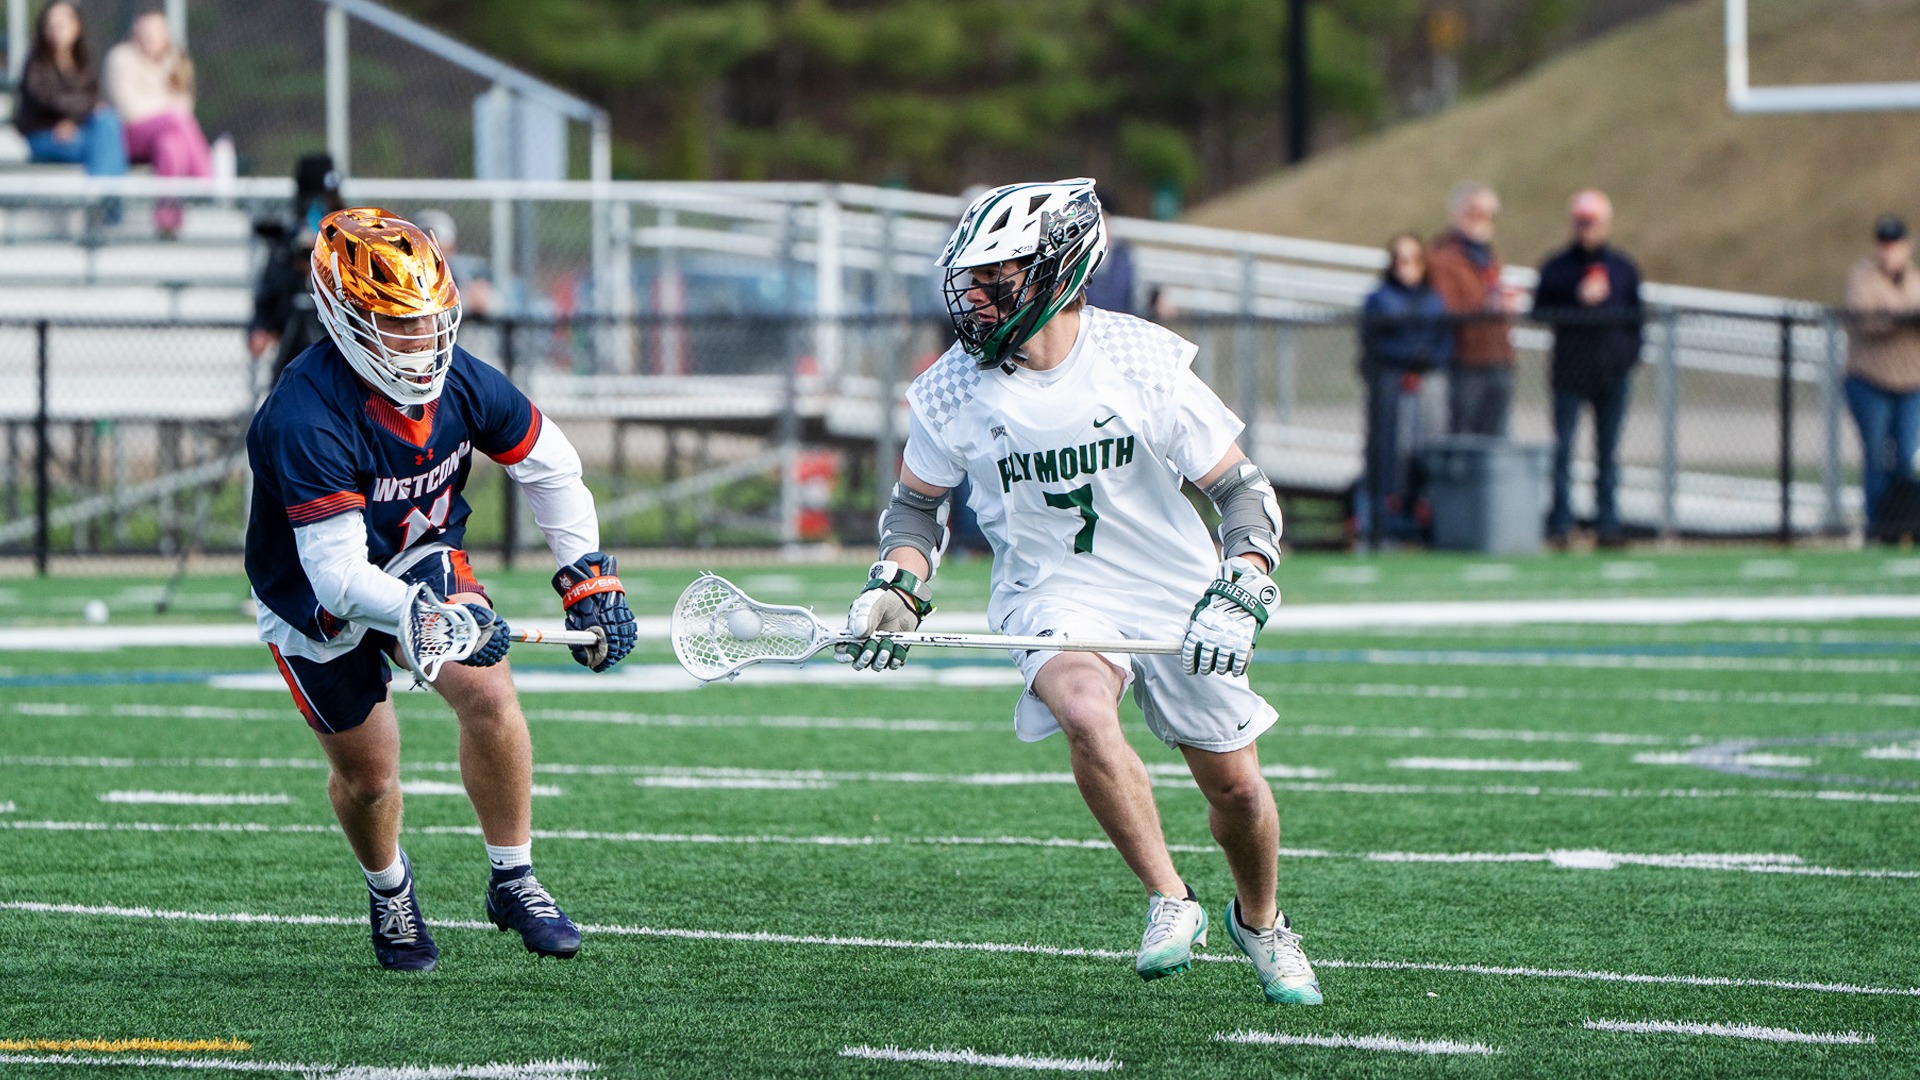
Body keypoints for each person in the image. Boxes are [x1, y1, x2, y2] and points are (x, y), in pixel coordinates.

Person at [839, 178, 1321, 1006]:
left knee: (1236, 789)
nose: (975, 300)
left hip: (1173, 587)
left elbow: (1240, 490)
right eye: (970, 281)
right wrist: (898, 585)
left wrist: (1242, 580)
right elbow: (916, 508)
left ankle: (1261, 920)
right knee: (1085, 711)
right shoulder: (951, 387)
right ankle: (1170, 897)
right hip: (1050, 587)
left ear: (1059, 269)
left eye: (996, 279)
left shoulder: (1139, 358)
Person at [244, 207, 639, 972]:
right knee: (369, 780)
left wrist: (587, 573)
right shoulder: (305, 413)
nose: (422, 340)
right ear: (344, 320)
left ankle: (513, 877)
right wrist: (430, 619)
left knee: (488, 693)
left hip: (419, 555)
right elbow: (338, 578)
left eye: (429, 320)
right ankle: (389, 886)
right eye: (398, 325)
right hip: (313, 596)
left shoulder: (461, 379)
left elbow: (550, 465)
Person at [1533, 190, 1644, 549]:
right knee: (1563, 450)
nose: (1587, 229)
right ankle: (1561, 523)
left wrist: (1627, 358)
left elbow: (1637, 320)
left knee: (1607, 453)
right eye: (1581, 222)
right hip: (1569, 371)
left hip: (1611, 372)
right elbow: (1539, 311)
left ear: (1605, 223)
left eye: (1593, 222)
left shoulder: (1623, 268)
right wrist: (1576, 297)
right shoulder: (1557, 267)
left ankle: (1607, 523)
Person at [1358, 233, 1452, 545]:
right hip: (1391, 382)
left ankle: (1420, 516)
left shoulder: (1433, 299)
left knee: (1425, 449)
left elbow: (1444, 340)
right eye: (1400, 260)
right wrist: (1407, 357)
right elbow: (1374, 342)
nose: (1406, 267)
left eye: (1412, 260)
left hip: (1426, 383)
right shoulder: (1380, 299)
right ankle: (1385, 519)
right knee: (1390, 451)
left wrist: (1427, 359)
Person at [1842, 214, 1920, 537]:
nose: (1889, 250)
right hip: (1870, 380)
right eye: (1884, 243)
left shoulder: (1915, 280)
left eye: (1895, 244)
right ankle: (1877, 526)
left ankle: (1902, 524)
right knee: (1875, 455)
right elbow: (1864, 319)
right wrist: (1903, 319)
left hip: (1911, 382)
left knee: (1905, 455)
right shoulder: (1863, 278)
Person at [103, 9, 211, 238]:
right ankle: (206, 182)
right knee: (175, 120)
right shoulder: (120, 58)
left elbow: (185, 104)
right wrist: (166, 109)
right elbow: (131, 111)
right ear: (135, 33)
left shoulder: (176, 61)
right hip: (128, 136)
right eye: (145, 31)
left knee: (171, 145)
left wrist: (162, 109)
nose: (150, 37)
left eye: (156, 31)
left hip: (163, 135)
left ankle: (168, 221)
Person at [1428, 182, 1520, 436]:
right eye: (1474, 212)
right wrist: (1489, 305)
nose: (1481, 221)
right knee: (1463, 436)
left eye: (1487, 214)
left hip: (1499, 359)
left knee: (1495, 439)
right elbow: (1445, 307)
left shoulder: (1488, 257)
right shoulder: (1443, 258)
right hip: (1464, 363)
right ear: (1457, 215)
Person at [251, 153, 346, 383]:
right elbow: (270, 290)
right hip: (293, 338)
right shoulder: (287, 244)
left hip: (339, 341)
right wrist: (261, 326)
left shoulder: (346, 238)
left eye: (329, 200)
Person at [14, 2, 128, 181]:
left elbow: (92, 97)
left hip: (77, 129)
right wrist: (82, 111)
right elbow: (48, 100)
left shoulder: (83, 61)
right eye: (52, 22)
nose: (57, 27)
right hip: (46, 134)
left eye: (63, 22)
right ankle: (106, 197)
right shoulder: (35, 63)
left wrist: (73, 121)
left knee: (107, 121)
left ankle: (103, 195)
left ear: (77, 26)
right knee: (105, 147)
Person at [412, 209, 496, 317]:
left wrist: (477, 298)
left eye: (436, 244)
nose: (429, 252)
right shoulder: (407, 276)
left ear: (451, 247)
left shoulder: (463, 274)